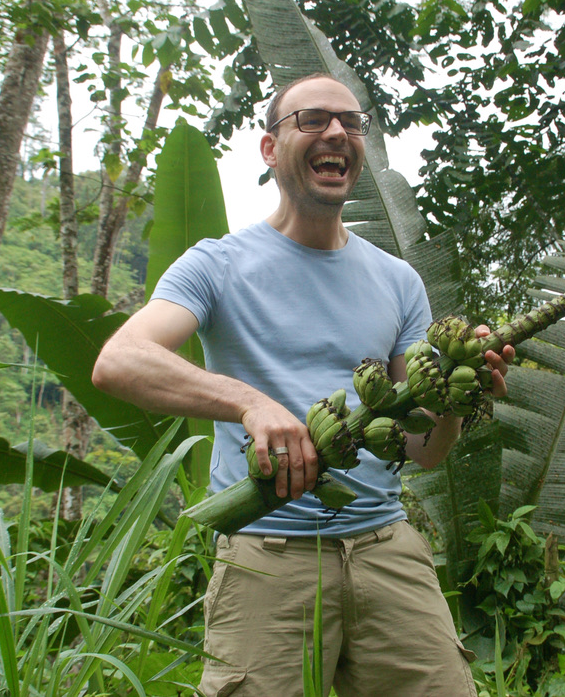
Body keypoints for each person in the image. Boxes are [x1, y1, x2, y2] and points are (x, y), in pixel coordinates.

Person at [92, 73, 515, 697]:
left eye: (351, 123)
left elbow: (425, 450)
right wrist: (251, 404)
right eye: (313, 120)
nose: (338, 133)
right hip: (269, 556)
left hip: (385, 548)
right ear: (270, 148)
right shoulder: (218, 265)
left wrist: (458, 399)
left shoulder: (398, 281)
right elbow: (120, 359)